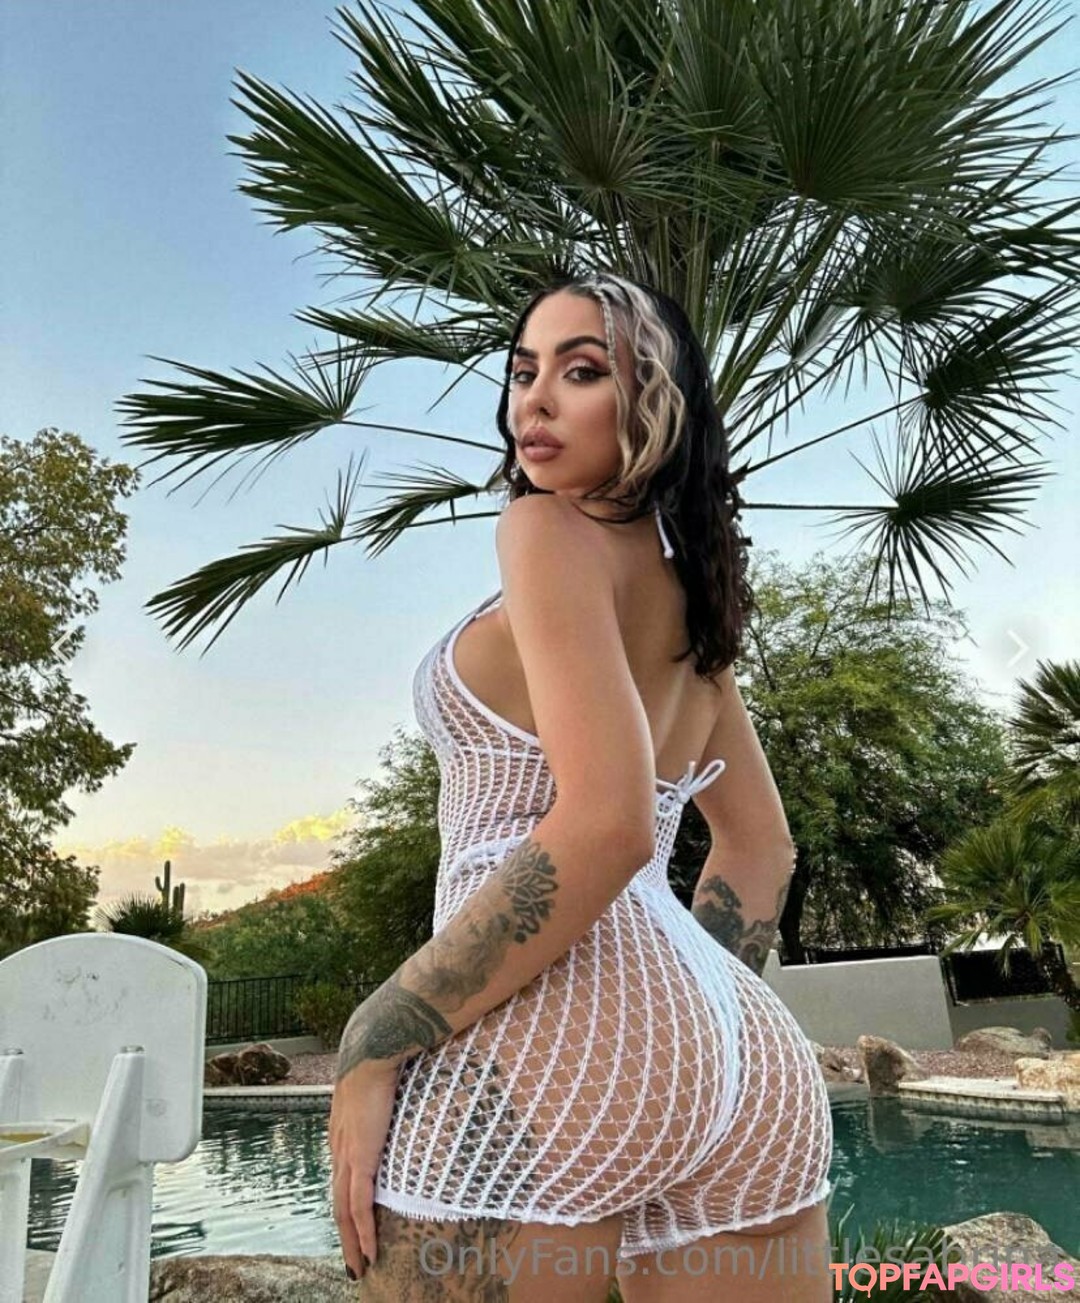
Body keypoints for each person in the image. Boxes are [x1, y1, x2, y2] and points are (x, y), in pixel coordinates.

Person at [329, 271, 834, 1301]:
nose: (537, 399)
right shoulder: (695, 608)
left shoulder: (544, 529)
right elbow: (760, 847)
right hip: (745, 1062)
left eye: (583, 370)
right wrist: (685, 1022)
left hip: (554, 1042)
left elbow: (608, 825)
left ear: (655, 403)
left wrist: (377, 1037)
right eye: (525, 371)